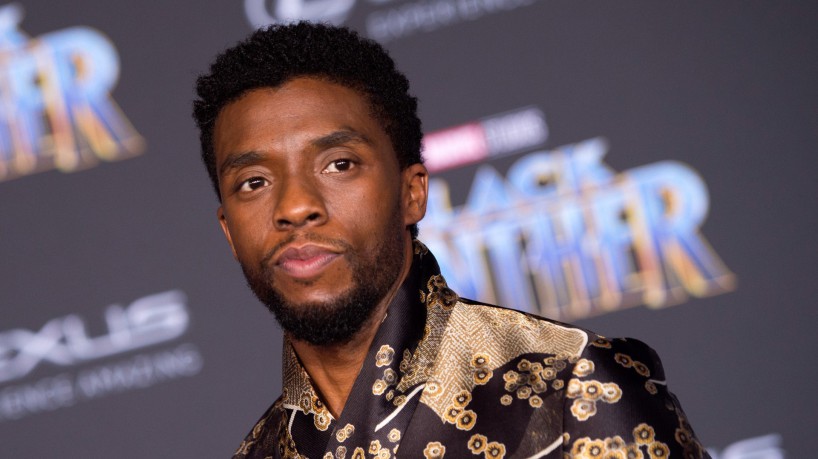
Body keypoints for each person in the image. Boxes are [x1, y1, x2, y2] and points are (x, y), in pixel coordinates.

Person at [192, 22, 709, 459]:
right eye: (253, 182)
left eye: (339, 164)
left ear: (412, 193)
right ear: (228, 232)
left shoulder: (574, 389)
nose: (294, 206)